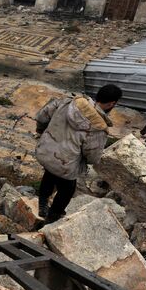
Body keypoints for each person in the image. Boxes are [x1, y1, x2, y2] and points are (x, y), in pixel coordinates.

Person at [35, 84, 122, 223]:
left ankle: (42, 204)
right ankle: (51, 219)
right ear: (112, 103)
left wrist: (41, 132)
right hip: (66, 165)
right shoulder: (98, 127)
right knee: (67, 190)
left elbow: (42, 116)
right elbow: (93, 157)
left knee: (50, 173)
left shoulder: (70, 101)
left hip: (45, 151)